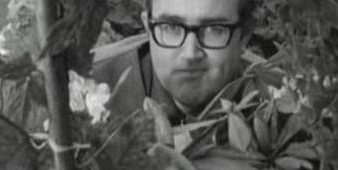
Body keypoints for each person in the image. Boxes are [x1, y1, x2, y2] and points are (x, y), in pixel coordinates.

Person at [92, 0, 263, 124]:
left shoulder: (281, 102)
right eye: (171, 27)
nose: (190, 54)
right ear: (147, 28)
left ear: (245, 36)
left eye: (214, 29)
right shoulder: (86, 91)